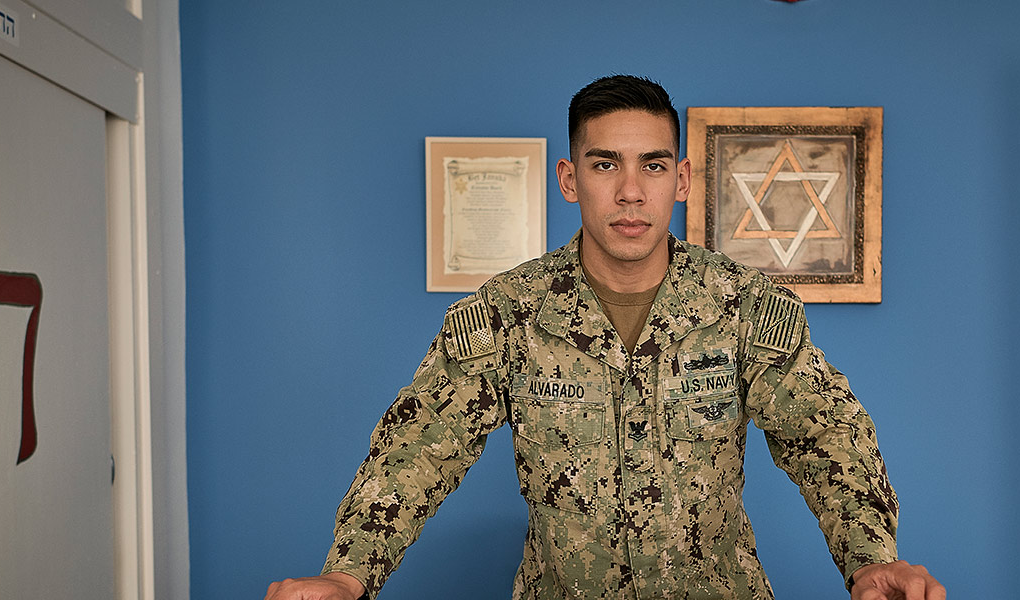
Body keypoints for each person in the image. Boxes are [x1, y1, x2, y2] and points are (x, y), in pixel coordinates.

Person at [267, 75, 944, 600]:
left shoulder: (740, 306)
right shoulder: (510, 312)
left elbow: (825, 432)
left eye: (652, 166)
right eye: (604, 165)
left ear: (680, 180)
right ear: (570, 180)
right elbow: (417, 449)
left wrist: (871, 559)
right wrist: (349, 574)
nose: (629, 192)